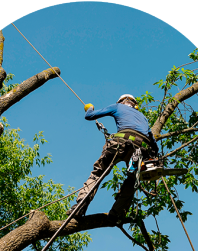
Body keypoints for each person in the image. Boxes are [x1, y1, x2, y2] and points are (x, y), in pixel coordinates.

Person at [66, 94, 159, 223]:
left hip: (118, 145)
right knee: (132, 180)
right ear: (135, 105)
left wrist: (90, 108)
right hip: (138, 151)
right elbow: (154, 144)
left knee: (98, 173)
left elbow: (89, 116)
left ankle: (80, 207)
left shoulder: (117, 107)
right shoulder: (143, 117)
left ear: (120, 102)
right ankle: (116, 214)